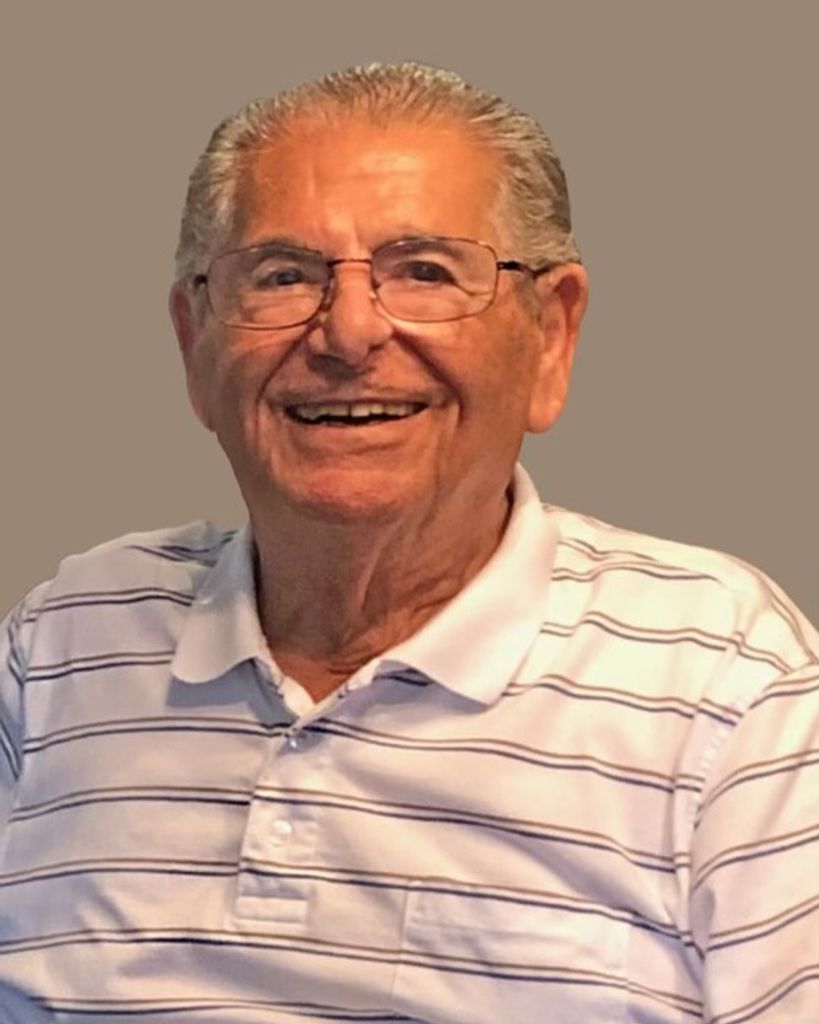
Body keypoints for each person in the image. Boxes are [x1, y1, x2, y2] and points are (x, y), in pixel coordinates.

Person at [0, 61, 816, 1024]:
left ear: (550, 336)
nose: (347, 333)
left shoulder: (723, 680)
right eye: (282, 275)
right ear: (195, 342)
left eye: (424, 272)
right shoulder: (67, 639)